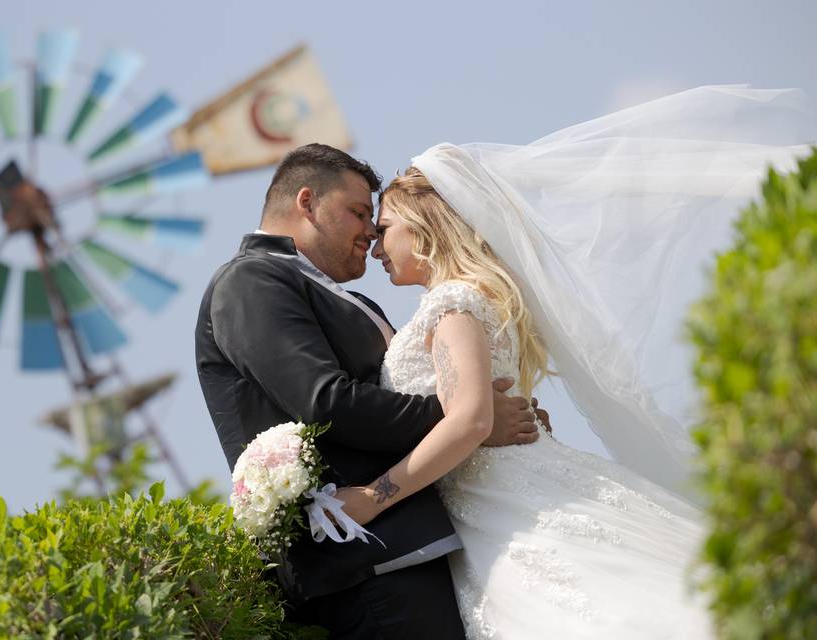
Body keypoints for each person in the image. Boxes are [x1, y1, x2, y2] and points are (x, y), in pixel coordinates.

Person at [334, 85, 813, 638]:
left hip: (514, 511)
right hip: (499, 505)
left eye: (385, 228)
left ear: (425, 224)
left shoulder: (452, 301)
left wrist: (373, 498)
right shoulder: (472, 299)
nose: (375, 245)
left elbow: (470, 420)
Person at [195, 143, 547, 639]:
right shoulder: (252, 279)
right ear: (306, 202)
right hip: (360, 557)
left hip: (415, 546)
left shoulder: (348, 297)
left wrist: (495, 410)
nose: (371, 233)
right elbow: (326, 401)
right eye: (359, 212)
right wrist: (471, 418)